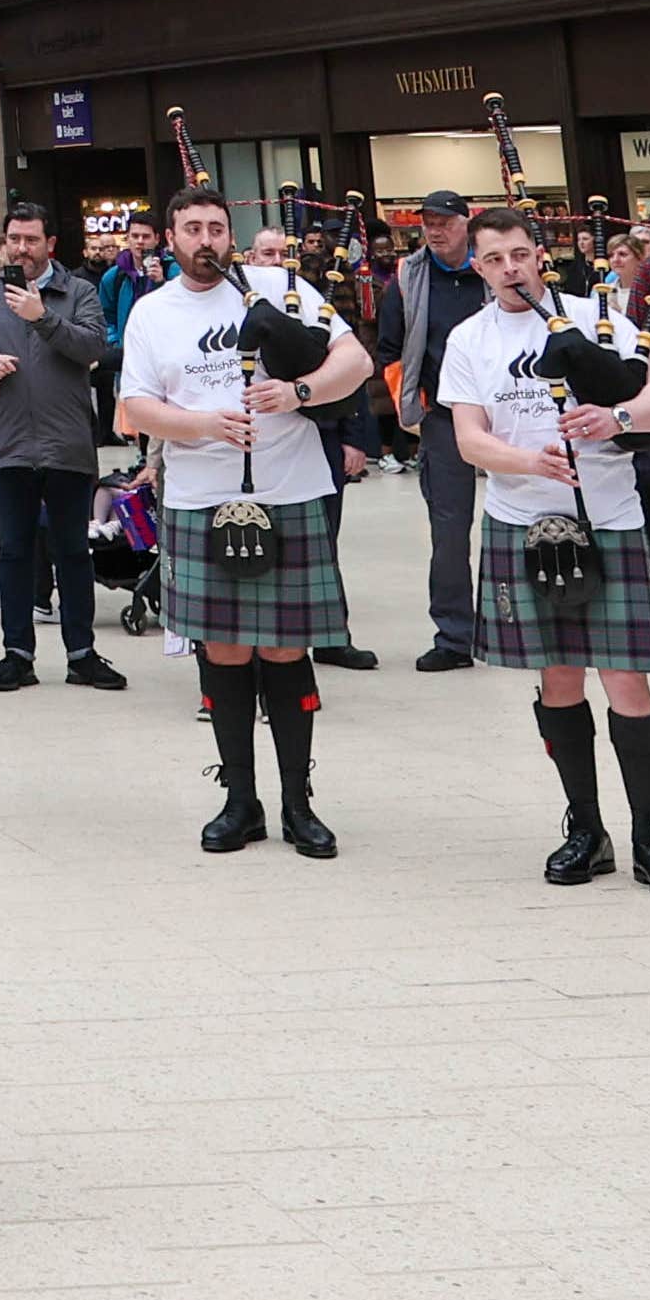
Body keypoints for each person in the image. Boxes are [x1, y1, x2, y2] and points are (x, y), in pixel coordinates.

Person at [437, 222, 650, 901]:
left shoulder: (597, 317)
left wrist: (616, 418)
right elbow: (469, 439)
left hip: (609, 519)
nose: (509, 268)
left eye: (520, 254)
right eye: (494, 258)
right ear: (480, 266)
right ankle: (586, 828)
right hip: (524, 525)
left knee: (627, 684)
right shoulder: (470, 339)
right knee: (558, 679)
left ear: (539, 257)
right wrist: (530, 459)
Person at [114, 194, 372, 857]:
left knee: (287, 649)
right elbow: (135, 405)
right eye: (193, 228)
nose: (206, 239)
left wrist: (298, 392)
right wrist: (203, 423)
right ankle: (240, 800)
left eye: (217, 228)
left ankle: (298, 803)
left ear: (230, 235)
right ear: (170, 237)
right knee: (224, 651)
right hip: (201, 497)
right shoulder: (152, 311)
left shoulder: (281, 286)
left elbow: (356, 361)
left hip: (290, 490)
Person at [0, 207, 126, 695]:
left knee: (73, 550)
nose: (21, 249)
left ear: (49, 243)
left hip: (67, 442)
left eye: (31, 239)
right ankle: (17, 655)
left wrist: (44, 318)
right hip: (9, 441)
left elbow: (93, 347)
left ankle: (82, 654)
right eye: (13, 239)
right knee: (12, 553)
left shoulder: (78, 292)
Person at [388, 195, 489, 670]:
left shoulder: (493, 267)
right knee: (449, 532)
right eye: (428, 223)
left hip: (510, 413)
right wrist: (413, 411)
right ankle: (454, 636)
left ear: (466, 223)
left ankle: (531, 624)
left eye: (445, 223)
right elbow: (390, 347)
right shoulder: (409, 277)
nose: (435, 231)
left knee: (530, 517)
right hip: (444, 418)